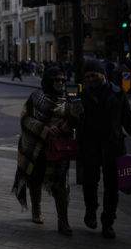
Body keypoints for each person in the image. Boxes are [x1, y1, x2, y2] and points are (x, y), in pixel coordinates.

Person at [77, 60, 131, 239]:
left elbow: (128, 121)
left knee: (112, 187)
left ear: (102, 73)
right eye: (87, 76)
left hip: (113, 146)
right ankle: (91, 211)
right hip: (90, 146)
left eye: (93, 75)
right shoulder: (82, 94)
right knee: (90, 183)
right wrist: (73, 116)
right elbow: (75, 122)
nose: (90, 79)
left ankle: (108, 223)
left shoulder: (118, 93)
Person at [11, 67, 82, 235]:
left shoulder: (67, 100)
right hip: (36, 147)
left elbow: (73, 123)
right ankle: (36, 210)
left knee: (61, 184)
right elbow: (25, 118)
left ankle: (63, 221)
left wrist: (70, 120)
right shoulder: (36, 98)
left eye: (63, 80)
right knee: (34, 180)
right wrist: (44, 129)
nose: (60, 83)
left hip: (58, 149)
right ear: (49, 81)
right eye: (57, 80)